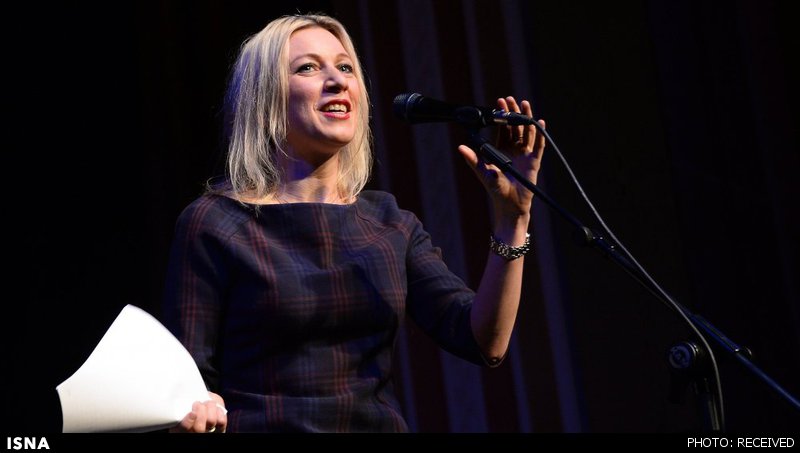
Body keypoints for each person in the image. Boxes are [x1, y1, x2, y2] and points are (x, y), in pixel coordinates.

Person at [163, 13, 546, 433]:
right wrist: (198, 404)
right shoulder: (217, 224)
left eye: (345, 67)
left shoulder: (389, 224)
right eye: (308, 68)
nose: (337, 81)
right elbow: (187, 383)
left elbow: (483, 341)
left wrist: (513, 219)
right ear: (265, 97)